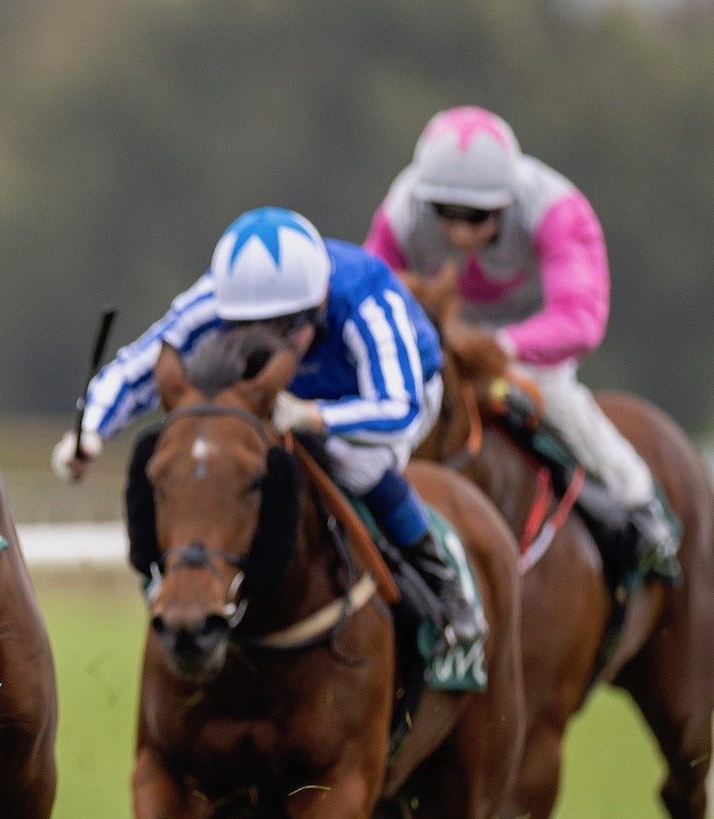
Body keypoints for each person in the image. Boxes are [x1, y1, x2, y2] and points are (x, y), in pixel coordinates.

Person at [55, 207, 482, 645]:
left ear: (318, 304)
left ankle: (441, 585)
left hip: (396, 388)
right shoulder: (219, 297)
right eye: (247, 327)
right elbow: (138, 367)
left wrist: (312, 417)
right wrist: (90, 431)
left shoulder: (365, 298)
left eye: (283, 327)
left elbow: (399, 408)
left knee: (354, 462)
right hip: (282, 392)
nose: (265, 339)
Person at [365, 105, 675, 571]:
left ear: (508, 202)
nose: (460, 232)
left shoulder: (557, 209)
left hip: (530, 342)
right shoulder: (403, 207)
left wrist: (500, 348)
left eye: (477, 217)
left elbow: (580, 321)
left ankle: (638, 500)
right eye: (445, 215)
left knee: (554, 395)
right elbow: (372, 295)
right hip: (446, 336)